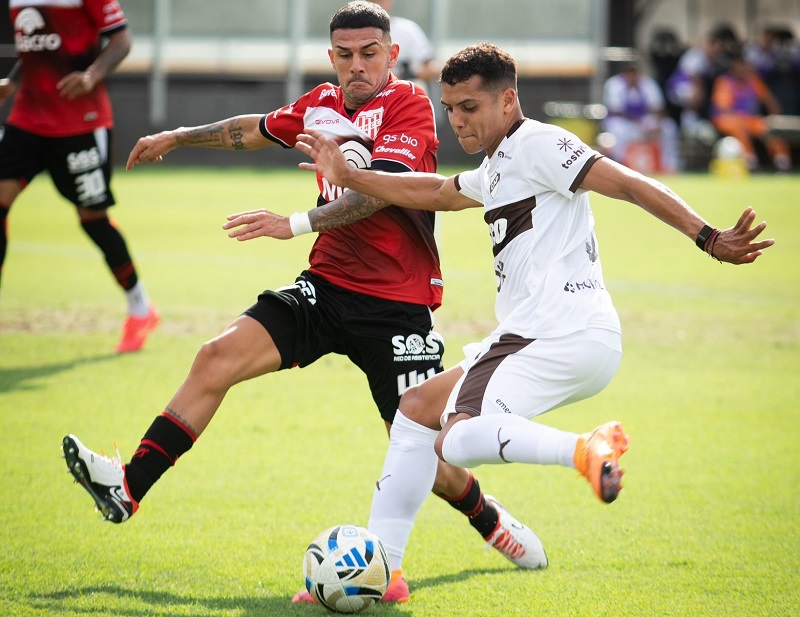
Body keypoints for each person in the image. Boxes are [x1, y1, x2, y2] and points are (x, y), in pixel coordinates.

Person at [60, 2, 543, 606]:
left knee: (430, 452)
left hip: (396, 305)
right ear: (332, 56)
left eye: (370, 53)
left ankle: (489, 520)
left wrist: (295, 222)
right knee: (216, 358)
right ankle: (127, 489)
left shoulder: (410, 106)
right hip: (326, 287)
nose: (357, 66)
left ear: (392, 54)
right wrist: (178, 136)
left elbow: (376, 194)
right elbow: (254, 127)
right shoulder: (320, 103)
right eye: (345, 54)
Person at [237, 41, 773, 574]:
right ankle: (388, 571)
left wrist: (707, 236)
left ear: (508, 101)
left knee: (455, 439)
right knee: (416, 412)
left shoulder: (538, 144)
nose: (458, 122)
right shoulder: (498, 164)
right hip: (561, 338)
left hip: (553, 332)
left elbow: (628, 183)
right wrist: (351, 177)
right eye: (450, 110)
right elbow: (438, 191)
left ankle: (585, 448)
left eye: (470, 108)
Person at [0, 0, 158, 353]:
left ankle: (140, 306)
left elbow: (122, 40)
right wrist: (10, 82)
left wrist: (91, 75)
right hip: (27, 119)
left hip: (80, 124)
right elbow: (38, 52)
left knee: (92, 218)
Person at [709, 50, 792, 172]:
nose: (742, 68)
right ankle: (751, 163)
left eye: (744, 65)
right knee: (738, 128)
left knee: (771, 129)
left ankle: (782, 163)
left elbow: (770, 101)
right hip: (728, 119)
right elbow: (723, 109)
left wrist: (775, 117)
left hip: (749, 119)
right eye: (739, 65)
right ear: (733, 67)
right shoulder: (725, 82)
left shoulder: (753, 80)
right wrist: (741, 119)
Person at [601, 61, 680, 173]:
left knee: (669, 126)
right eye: (629, 73)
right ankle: (619, 164)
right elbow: (616, 110)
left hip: (644, 121)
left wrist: (655, 123)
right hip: (622, 122)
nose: (632, 77)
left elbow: (658, 108)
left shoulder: (647, 83)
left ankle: (668, 165)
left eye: (634, 73)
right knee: (617, 130)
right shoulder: (614, 84)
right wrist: (638, 121)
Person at [368, 0, 438, 83]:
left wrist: (408, 74)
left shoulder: (407, 29)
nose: (375, 5)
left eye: (379, 1)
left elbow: (433, 68)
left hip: (404, 93)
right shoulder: (354, 32)